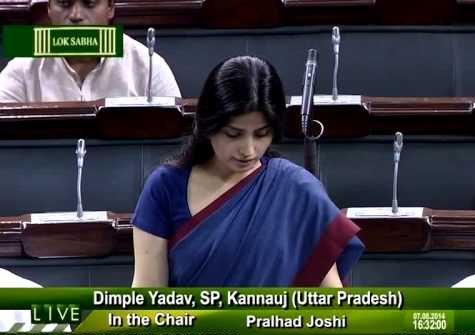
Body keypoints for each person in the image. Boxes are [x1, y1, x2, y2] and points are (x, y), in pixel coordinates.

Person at [131, 55, 364, 287]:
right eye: (234, 134)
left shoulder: (298, 189)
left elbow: (330, 298)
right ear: (208, 125)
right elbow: (146, 297)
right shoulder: (164, 187)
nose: (248, 150)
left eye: (261, 134)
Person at [0, 0, 180, 102]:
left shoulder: (148, 66)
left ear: (110, 8)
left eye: (90, 3)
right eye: (64, 3)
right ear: (48, 9)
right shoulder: (22, 69)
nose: (76, 15)